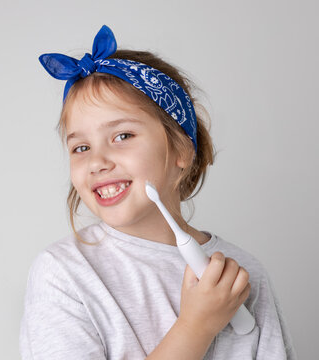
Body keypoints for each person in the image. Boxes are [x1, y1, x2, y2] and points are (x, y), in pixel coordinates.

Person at [19, 25, 297, 360]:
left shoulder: (243, 275)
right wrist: (196, 327)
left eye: (122, 136)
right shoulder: (64, 273)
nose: (97, 161)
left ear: (182, 149)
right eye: (80, 147)